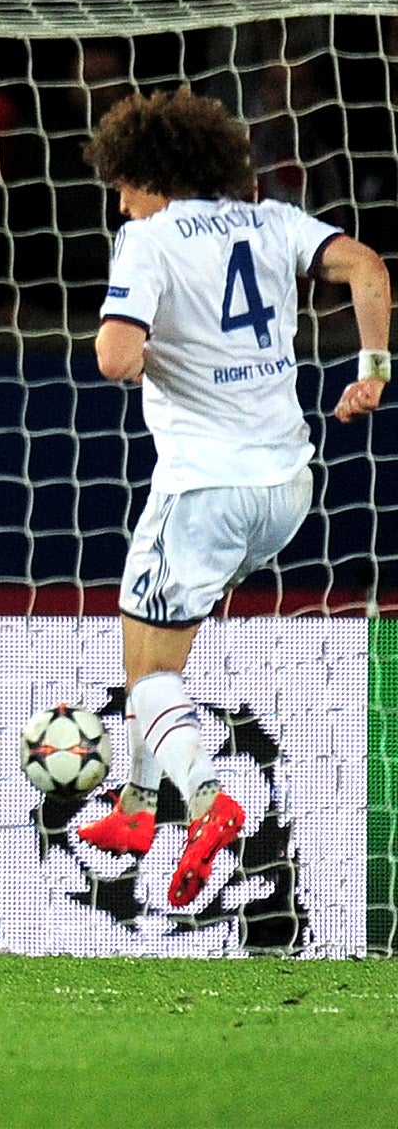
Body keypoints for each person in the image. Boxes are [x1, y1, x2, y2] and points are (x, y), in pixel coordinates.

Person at [78, 88, 389, 908]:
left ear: (151, 175)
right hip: (286, 488)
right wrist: (373, 369)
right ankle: (138, 812)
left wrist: (141, 355)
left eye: (123, 182)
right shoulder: (274, 221)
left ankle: (209, 805)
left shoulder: (145, 238)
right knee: (154, 647)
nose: (119, 200)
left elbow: (114, 356)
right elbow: (368, 264)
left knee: (148, 675)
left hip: (204, 487)